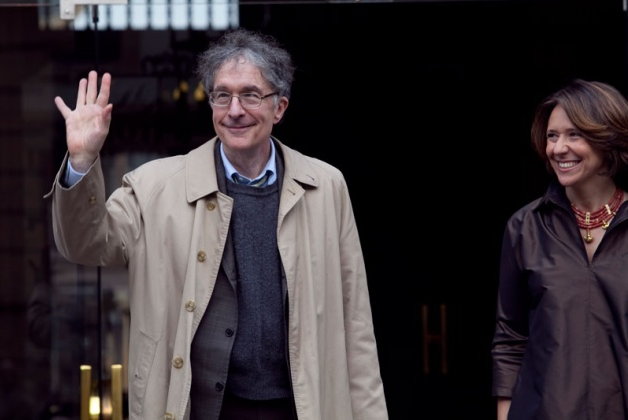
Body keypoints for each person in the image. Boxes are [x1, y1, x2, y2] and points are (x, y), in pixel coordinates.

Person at [45, 28, 388, 420]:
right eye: (222, 95)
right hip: (201, 410)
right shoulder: (156, 186)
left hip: (300, 409)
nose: (235, 110)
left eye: (251, 95)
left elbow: (355, 324)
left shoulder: (325, 187)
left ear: (279, 107)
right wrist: (81, 162)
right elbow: (85, 244)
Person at [491, 78, 628, 420]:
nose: (558, 149)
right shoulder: (525, 228)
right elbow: (510, 338)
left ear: (607, 138)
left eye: (574, 135)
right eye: (553, 136)